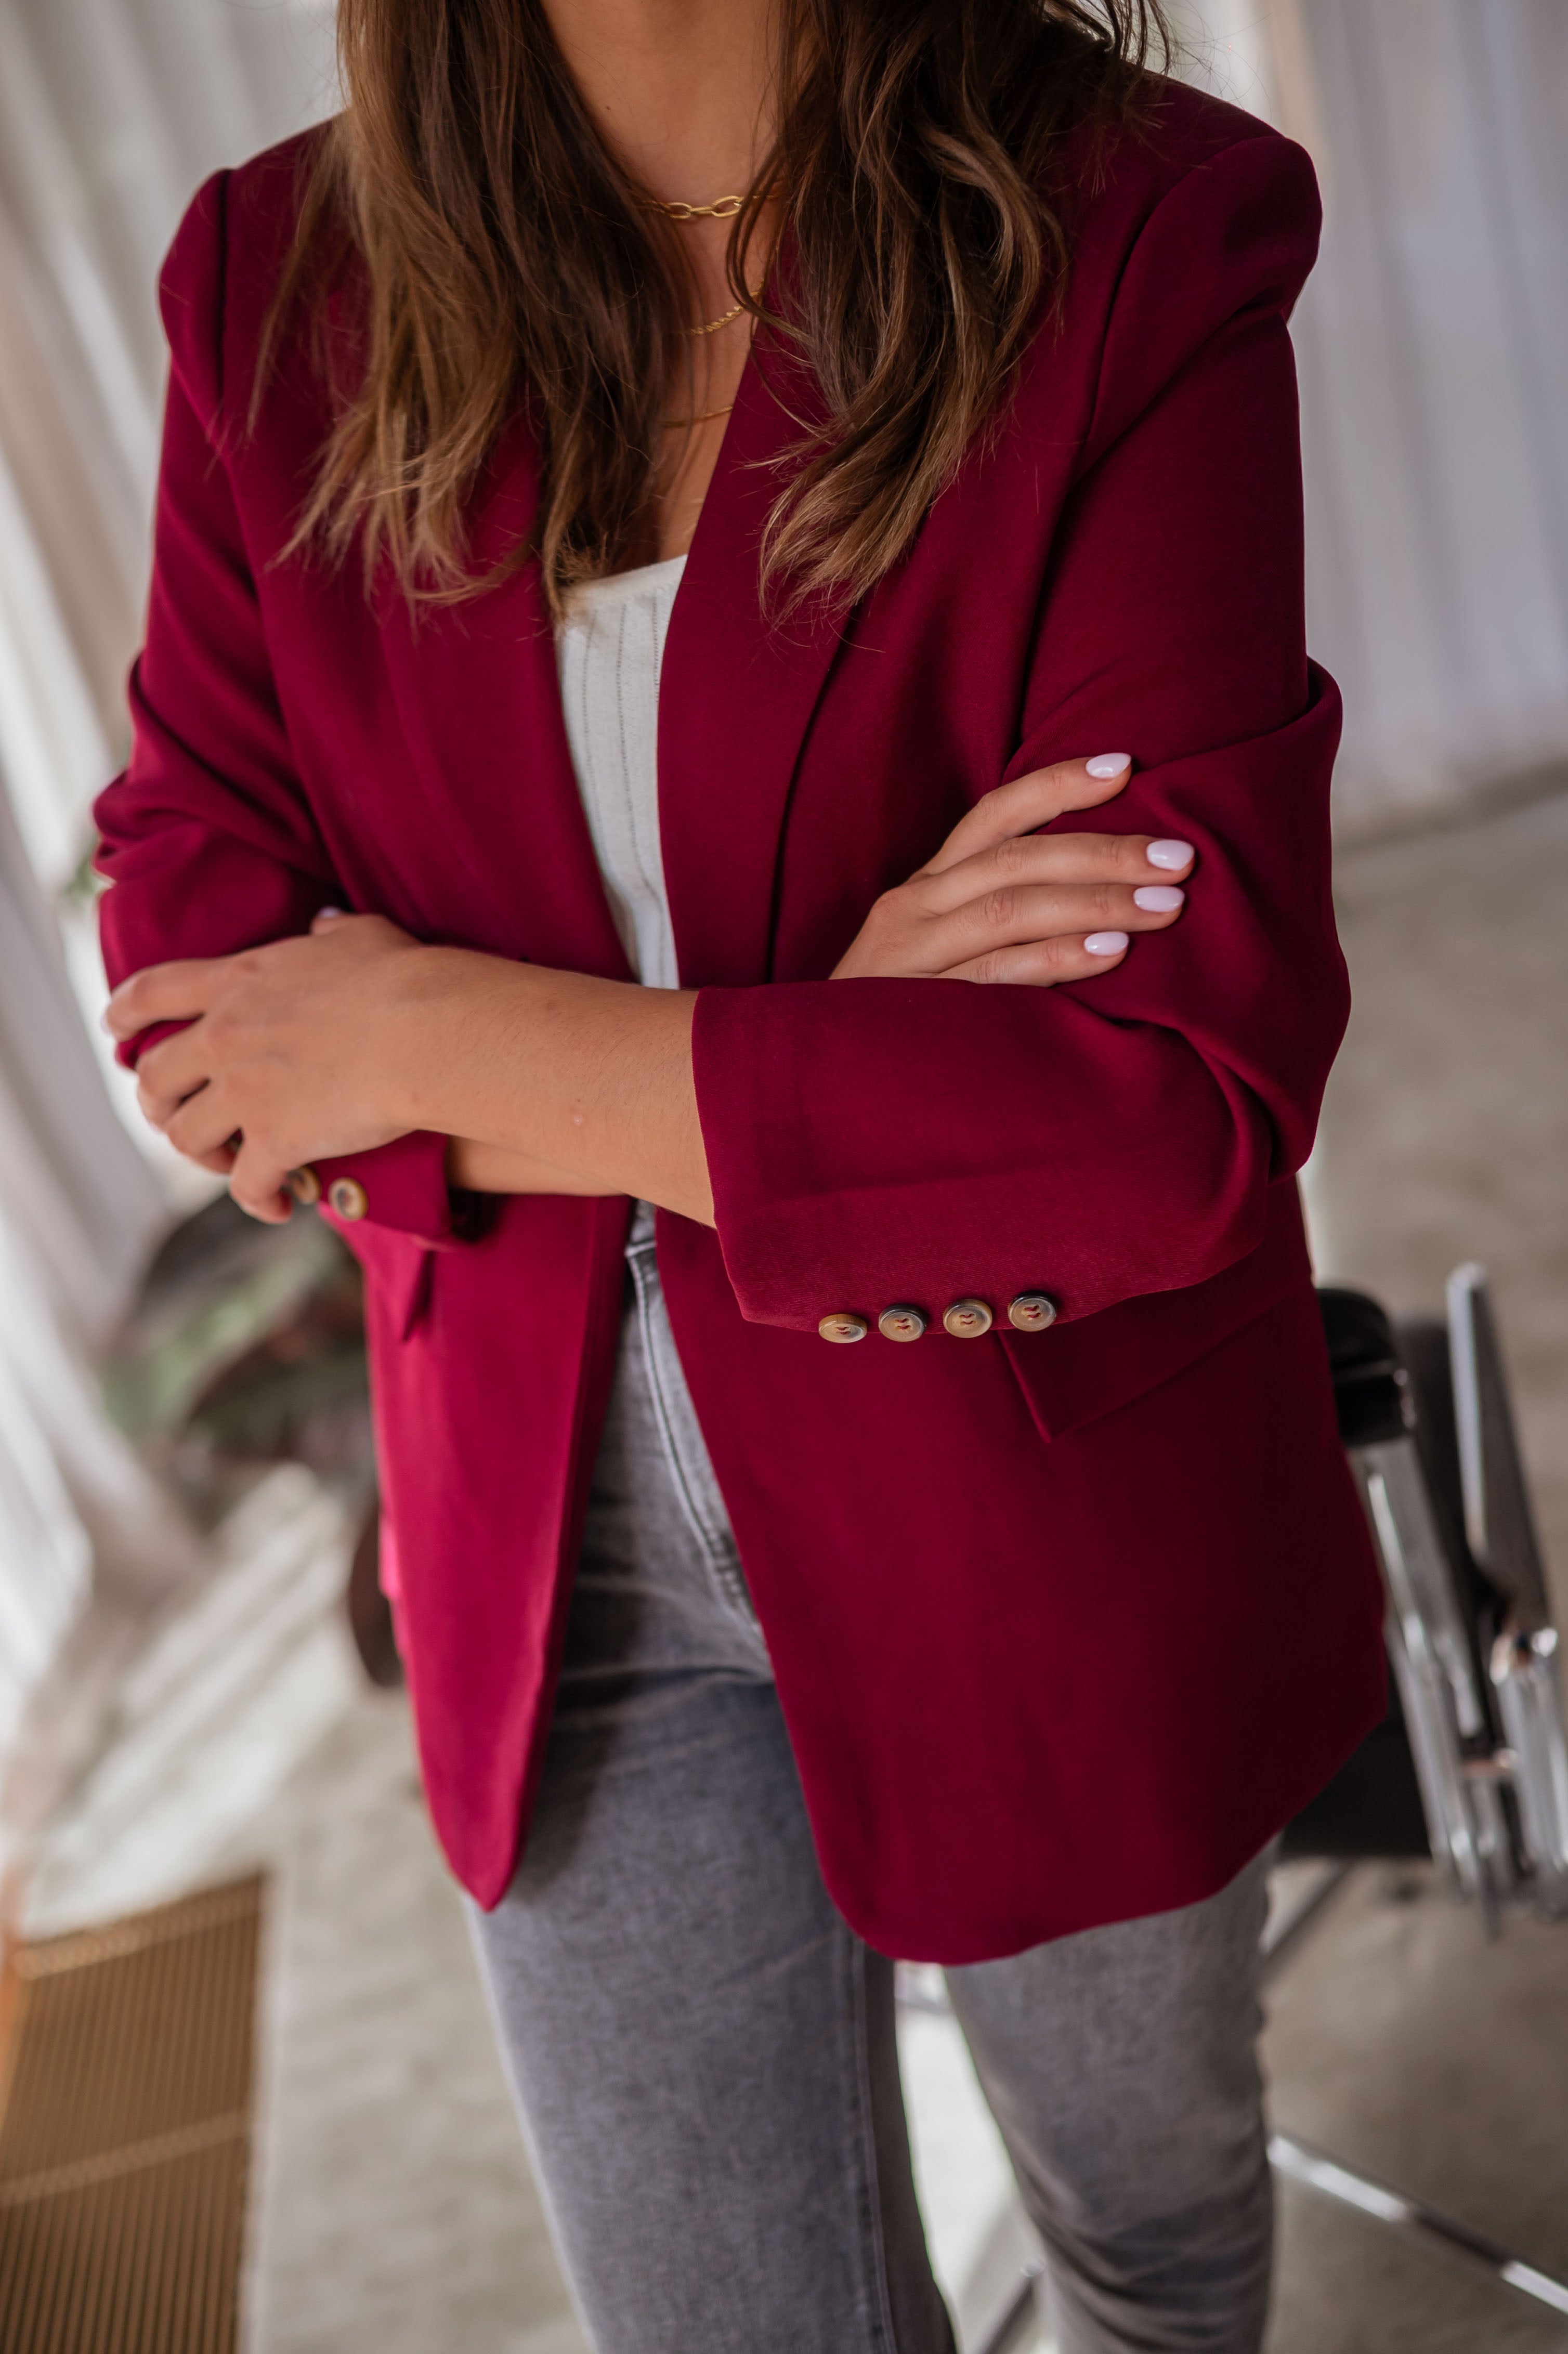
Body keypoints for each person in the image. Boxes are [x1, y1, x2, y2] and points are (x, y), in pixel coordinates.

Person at [97, 1, 1386, 2345]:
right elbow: (197, 1002)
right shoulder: (266, 281)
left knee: (1149, 2235)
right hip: (544, 1536)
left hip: (1046, 1496)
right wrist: (838, 1050)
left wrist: (415, 1032)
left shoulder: (1138, 226)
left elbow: (1156, 1096)